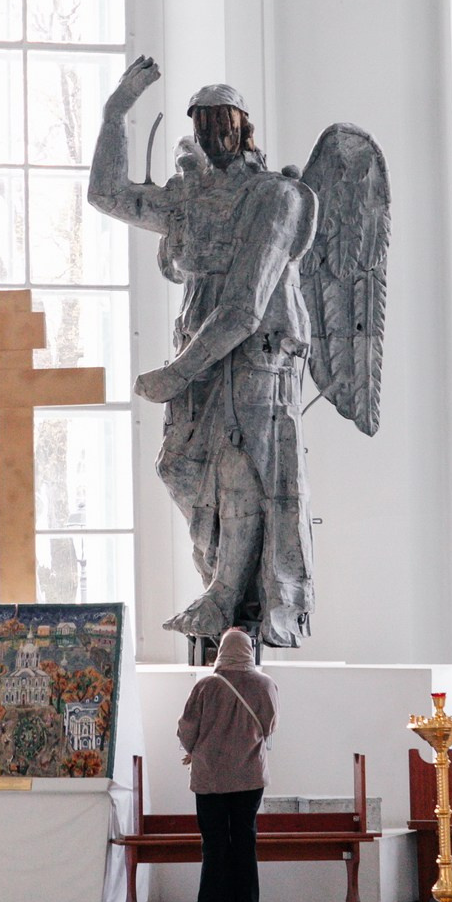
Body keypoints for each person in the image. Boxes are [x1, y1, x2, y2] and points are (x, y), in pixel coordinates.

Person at [88, 56, 318, 648]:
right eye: (203, 121)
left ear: (244, 128)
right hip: (199, 344)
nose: (214, 132)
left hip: (255, 351)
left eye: (225, 120)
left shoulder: (277, 196)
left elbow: (245, 304)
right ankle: (221, 580)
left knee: (241, 472)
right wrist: (116, 112)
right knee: (178, 466)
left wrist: (174, 372)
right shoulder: (190, 200)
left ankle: (226, 597)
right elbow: (108, 195)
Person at [176, 627, 279, 902]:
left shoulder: (206, 686)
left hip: (210, 777)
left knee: (214, 843)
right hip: (250, 776)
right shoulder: (265, 685)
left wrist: (193, 749)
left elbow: (186, 730)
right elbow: (270, 726)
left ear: (221, 650)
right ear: (249, 650)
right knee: (246, 840)